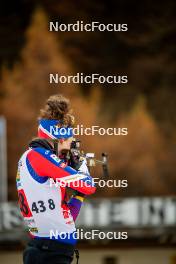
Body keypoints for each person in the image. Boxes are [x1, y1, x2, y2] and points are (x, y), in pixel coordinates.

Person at [16, 94, 96, 264]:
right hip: (49, 251)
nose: (69, 148)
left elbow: (65, 219)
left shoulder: (34, 157)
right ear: (57, 139)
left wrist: (79, 196)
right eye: (68, 141)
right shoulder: (38, 156)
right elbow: (88, 185)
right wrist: (81, 166)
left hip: (48, 248)